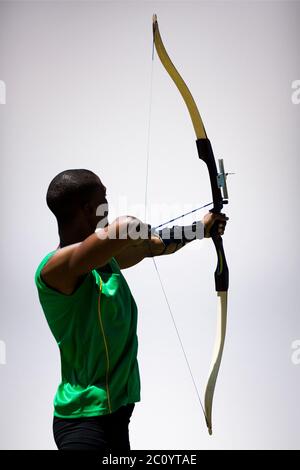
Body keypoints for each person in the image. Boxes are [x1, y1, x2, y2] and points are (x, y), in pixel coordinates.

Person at [35, 169, 228, 450]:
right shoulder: (55, 269)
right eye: (104, 199)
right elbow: (126, 228)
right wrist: (136, 229)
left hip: (116, 418)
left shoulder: (107, 261)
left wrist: (201, 228)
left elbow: (154, 245)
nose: (108, 205)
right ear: (89, 209)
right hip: (83, 423)